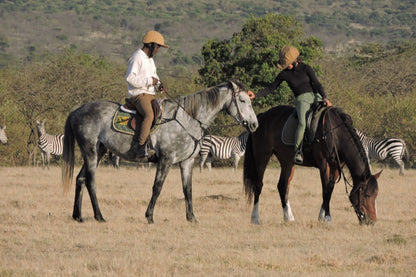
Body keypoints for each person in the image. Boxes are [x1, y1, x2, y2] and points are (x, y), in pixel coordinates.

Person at [255, 45, 332, 164]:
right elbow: (271, 88)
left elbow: (317, 83)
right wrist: (255, 95)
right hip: (302, 100)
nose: (287, 66)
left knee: (330, 115)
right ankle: (298, 151)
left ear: (296, 60)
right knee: (302, 123)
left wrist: (325, 98)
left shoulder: (306, 68)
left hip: (316, 96)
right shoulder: (284, 74)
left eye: (289, 63)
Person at [125, 30, 168, 158]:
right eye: (157, 47)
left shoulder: (150, 60)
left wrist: (159, 85)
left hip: (150, 94)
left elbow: (154, 77)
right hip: (138, 94)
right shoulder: (137, 57)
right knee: (149, 115)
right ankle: (140, 146)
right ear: (150, 45)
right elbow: (129, 78)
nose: (157, 50)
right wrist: (149, 81)